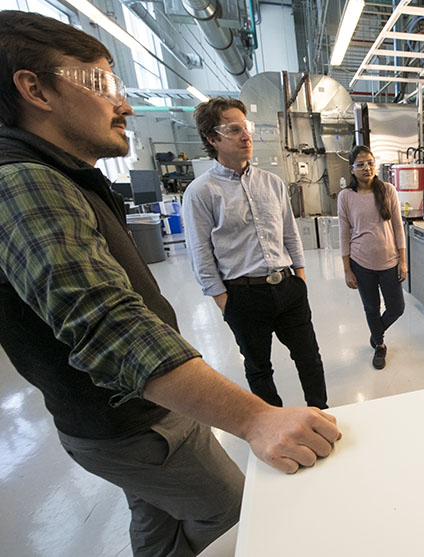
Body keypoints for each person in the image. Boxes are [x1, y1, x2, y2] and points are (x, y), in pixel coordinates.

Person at [0, 11, 340, 556]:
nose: (124, 105)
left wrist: (297, 274)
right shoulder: (25, 183)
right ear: (34, 89)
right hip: (136, 421)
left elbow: (288, 232)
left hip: (141, 407)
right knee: (239, 522)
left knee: (156, 521)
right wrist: (256, 417)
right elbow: (111, 327)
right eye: (101, 83)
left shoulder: (62, 177)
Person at [183, 97, 329, 409]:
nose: (245, 136)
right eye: (233, 130)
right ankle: (273, 422)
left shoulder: (272, 183)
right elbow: (200, 253)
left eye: (245, 127)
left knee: (309, 358)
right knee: (259, 368)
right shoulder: (201, 192)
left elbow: (290, 233)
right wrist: (225, 302)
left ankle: (320, 412)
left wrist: (300, 279)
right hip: (243, 295)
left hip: (288, 289)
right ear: (212, 139)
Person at [337, 145, 407, 369]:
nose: (367, 168)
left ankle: (376, 331)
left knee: (397, 308)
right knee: (371, 308)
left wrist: (403, 260)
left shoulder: (388, 190)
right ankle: (379, 345)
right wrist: (347, 269)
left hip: (389, 262)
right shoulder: (346, 196)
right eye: (361, 164)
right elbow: (344, 233)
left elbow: (398, 227)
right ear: (352, 169)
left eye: (370, 163)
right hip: (361, 263)